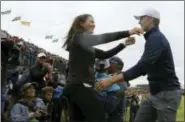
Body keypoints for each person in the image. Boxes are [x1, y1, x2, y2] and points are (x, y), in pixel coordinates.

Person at [98, 8, 182, 122]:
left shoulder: (156, 39)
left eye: (141, 19)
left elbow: (142, 67)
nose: (139, 22)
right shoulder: (152, 38)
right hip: (155, 93)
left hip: (167, 94)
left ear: (149, 19)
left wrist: (111, 80)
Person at [62, 13, 143, 122]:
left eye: (94, 22)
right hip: (80, 87)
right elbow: (102, 38)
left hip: (77, 87)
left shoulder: (85, 45)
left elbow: (105, 54)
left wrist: (124, 44)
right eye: (90, 21)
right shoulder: (78, 37)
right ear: (81, 23)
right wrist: (128, 32)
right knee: (99, 117)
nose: (94, 24)